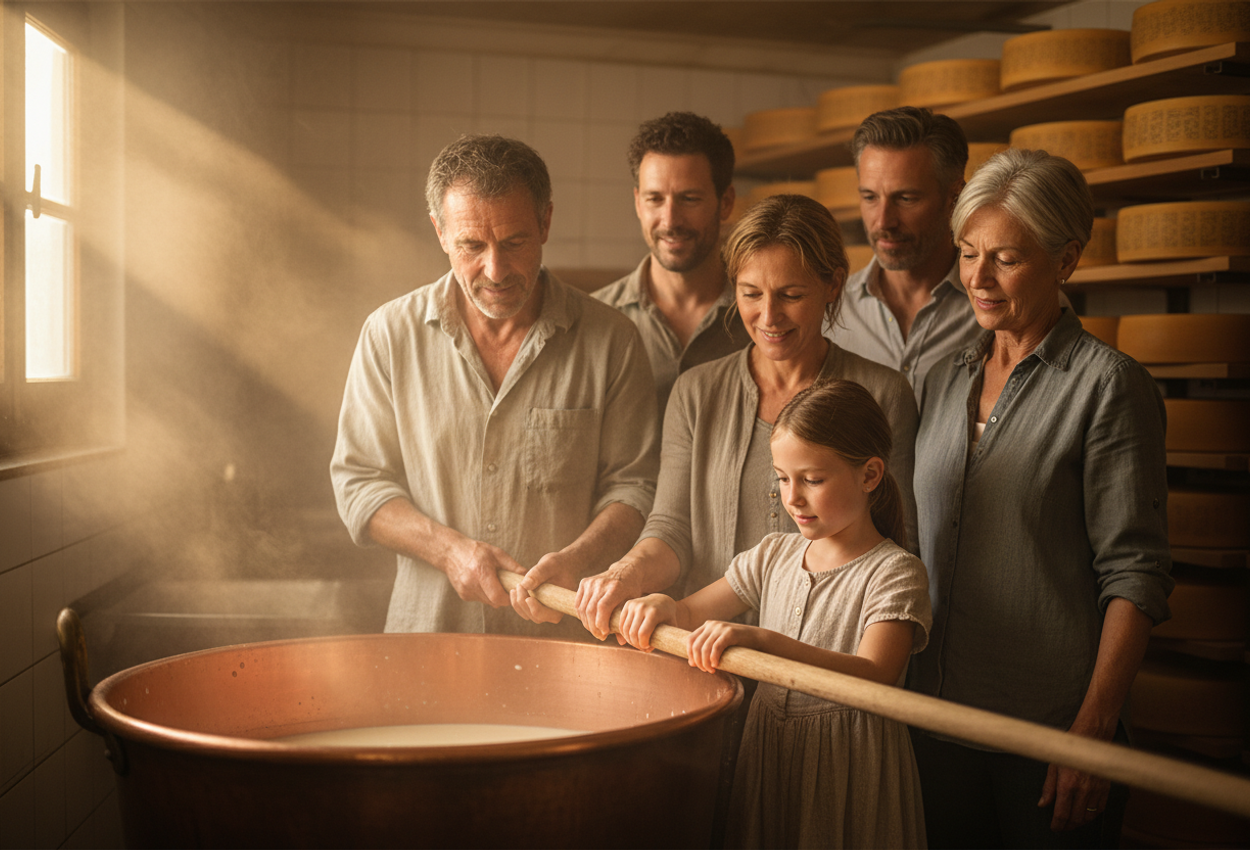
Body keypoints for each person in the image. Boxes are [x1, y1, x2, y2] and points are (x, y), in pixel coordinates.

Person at [910, 148, 1173, 848]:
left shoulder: (1108, 387)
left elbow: (1135, 575)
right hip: (936, 721)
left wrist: (1091, 734)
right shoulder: (939, 382)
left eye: (1007, 258)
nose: (979, 278)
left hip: (1049, 734)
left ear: (1067, 260)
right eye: (968, 254)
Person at [330, 134, 659, 638]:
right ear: (440, 232)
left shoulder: (611, 341)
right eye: (471, 245)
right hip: (428, 641)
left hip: (562, 645)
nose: (496, 269)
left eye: (514, 242)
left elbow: (634, 486)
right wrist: (448, 551)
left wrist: (579, 558)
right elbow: (359, 483)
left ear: (546, 222)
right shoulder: (390, 334)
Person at [575, 193, 919, 641]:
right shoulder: (697, 392)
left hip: (826, 662)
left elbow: (895, 541)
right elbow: (672, 527)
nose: (769, 316)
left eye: (791, 295)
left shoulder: (882, 393)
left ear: (834, 285)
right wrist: (627, 573)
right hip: (705, 651)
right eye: (751, 294)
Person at [617, 380, 931, 849]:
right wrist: (663, 604)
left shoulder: (895, 572)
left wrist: (763, 641)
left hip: (849, 761)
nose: (793, 498)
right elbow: (686, 613)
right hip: (770, 753)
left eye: (813, 480)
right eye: (783, 479)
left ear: (870, 475)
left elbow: (876, 675)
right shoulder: (772, 555)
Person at [594, 112, 750, 417]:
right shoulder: (596, 320)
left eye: (689, 199)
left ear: (726, 202)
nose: (670, 221)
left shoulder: (762, 318)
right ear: (638, 202)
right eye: (655, 199)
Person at [832, 106, 983, 409]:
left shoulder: (1000, 309)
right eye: (870, 197)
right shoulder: (831, 311)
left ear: (955, 196)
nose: (883, 221)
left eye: (905, 198)